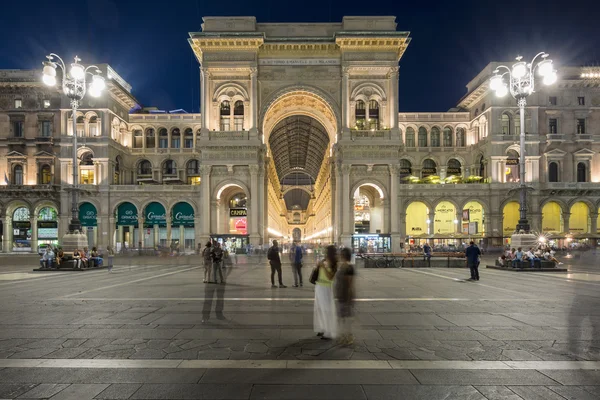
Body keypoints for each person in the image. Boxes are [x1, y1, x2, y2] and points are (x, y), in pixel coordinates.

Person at [314, 245, 338, 340]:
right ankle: (322, 327)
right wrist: (317, 266)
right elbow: (319, 272)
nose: (324, 251)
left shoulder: (334, 262)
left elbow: (330, 277)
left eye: (326, 250)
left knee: (326, 309)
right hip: (319, 286)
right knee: (319, 308)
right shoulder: (324, 260)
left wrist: (323, 267)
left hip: (326, 288)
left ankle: (328, 331)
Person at [336, 247, 355, 345]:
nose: (339, 256)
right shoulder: (343, 266)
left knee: (346, 318)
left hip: (345, 296)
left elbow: (349, 283)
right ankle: (343, 336)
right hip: (341, 295)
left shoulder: (348, 267)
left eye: (341, 254)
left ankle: (349, 336)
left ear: (344, 256)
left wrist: (349, 298)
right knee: (342, 317)